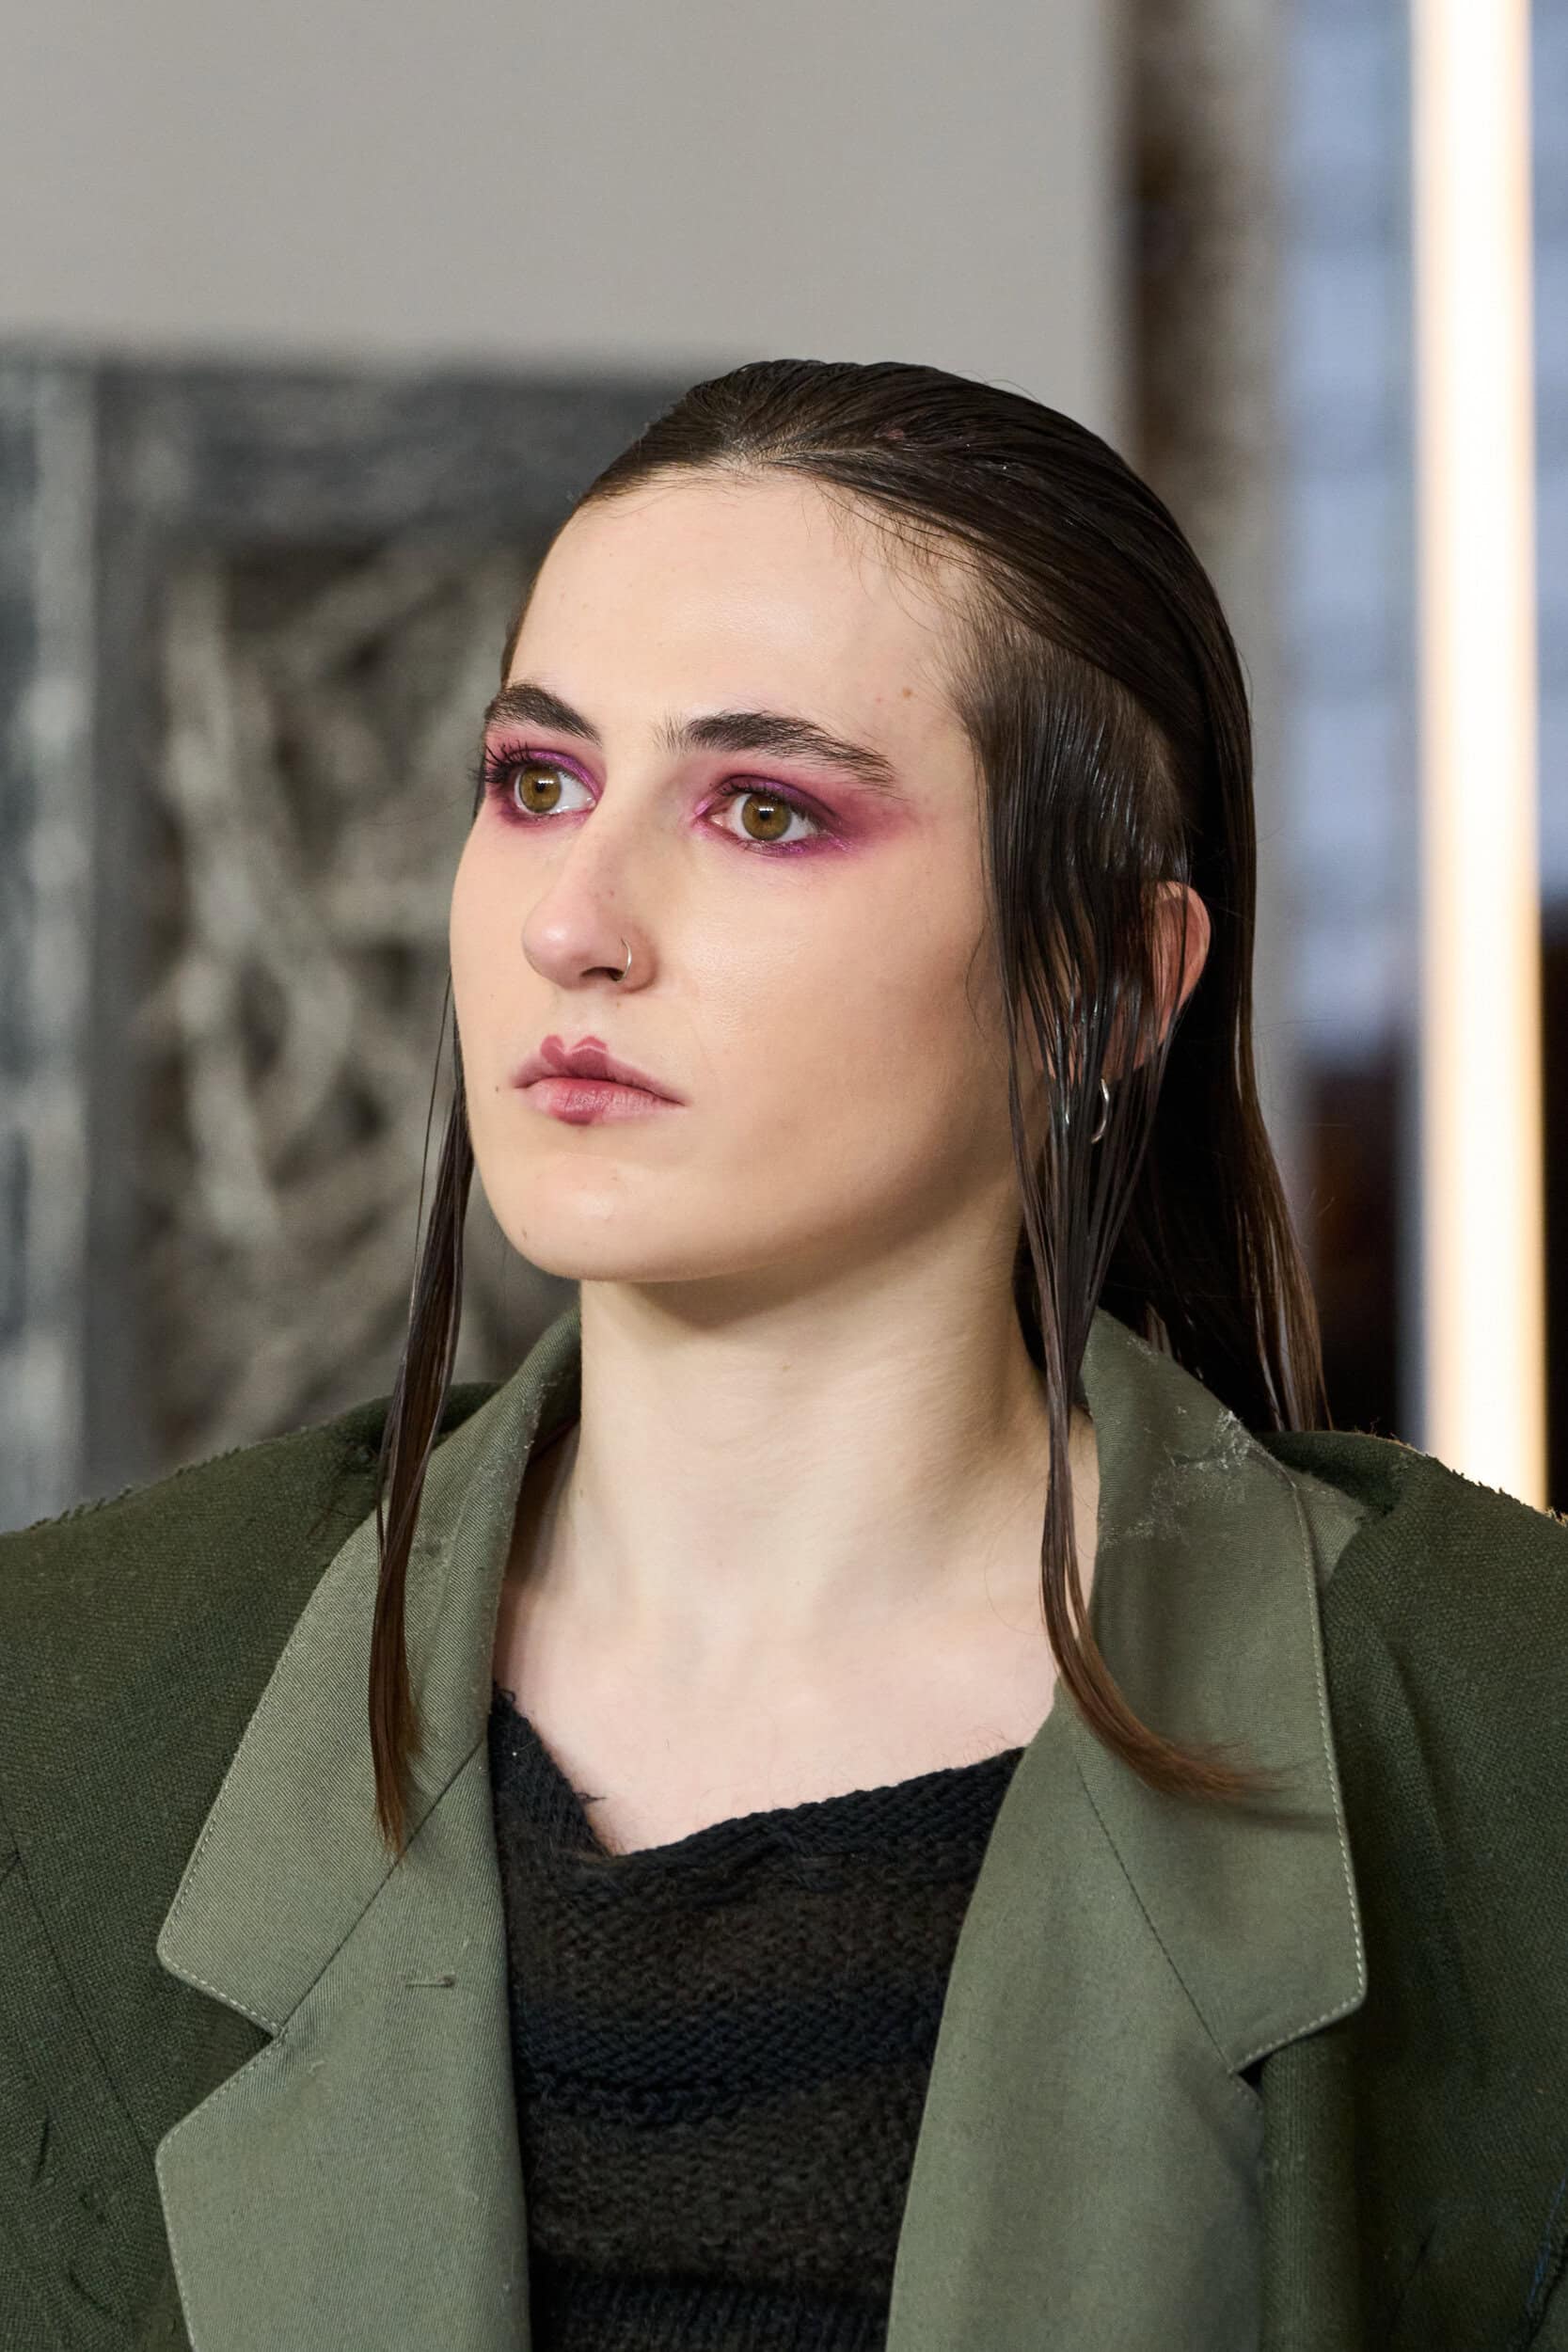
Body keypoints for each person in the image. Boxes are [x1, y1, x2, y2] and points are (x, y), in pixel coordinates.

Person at [3, 358, 1565, 2352]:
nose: (573, 923)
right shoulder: (66, 1715)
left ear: (1108, 980)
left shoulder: (1509, 1735)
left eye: (763, 810)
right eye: (536, 782)